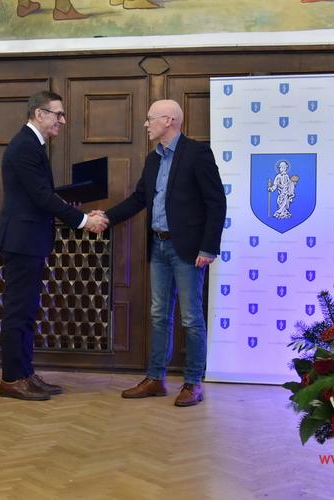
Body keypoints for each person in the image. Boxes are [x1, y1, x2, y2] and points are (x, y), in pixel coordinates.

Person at [99, 99, 226, 407]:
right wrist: (106, 218)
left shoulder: (197, 153)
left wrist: (209, 247)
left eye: (150, 118)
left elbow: (216, 202)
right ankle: (155, 378)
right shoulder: (153, 159)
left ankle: (193, 383)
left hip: (188, 250)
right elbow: (139, 199)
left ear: (169, 120)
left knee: (191, 318)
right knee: (159, 315)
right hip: (158, 246)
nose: (146, 124)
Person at [0, 91, 107, 401]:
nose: (63, 120)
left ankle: (25, 373)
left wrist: (72, 203)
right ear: (39, 114)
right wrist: (83, 220)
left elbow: (40, 193)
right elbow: (41, 197)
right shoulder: (24, 146)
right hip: (22, 241)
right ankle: (11, 379)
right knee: (18, 313)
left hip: (30, 240)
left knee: (27, 312)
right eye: (58, 114)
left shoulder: (33, 145)